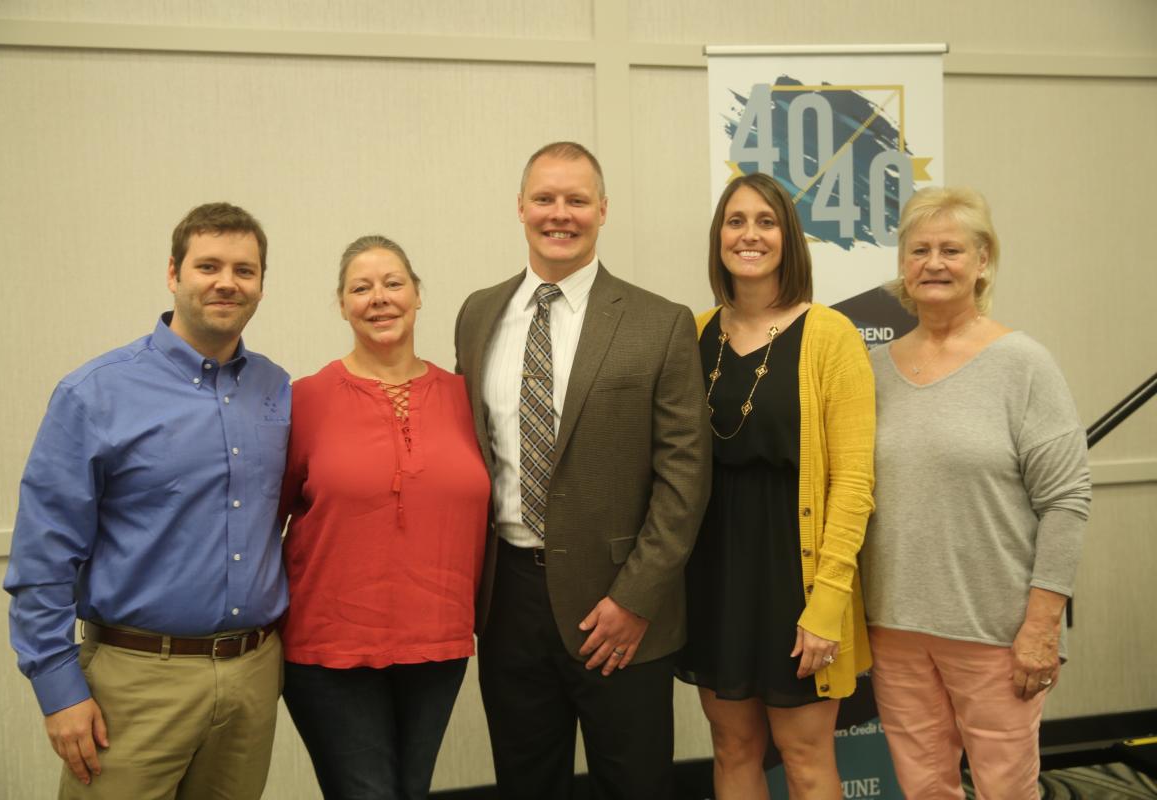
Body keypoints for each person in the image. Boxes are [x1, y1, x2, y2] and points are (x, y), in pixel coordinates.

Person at [3, 202, 290, 798]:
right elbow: (43, 556)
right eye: (208, 265)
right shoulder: (95, 393)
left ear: (262, 284)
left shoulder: (276, 390)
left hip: (253, 674)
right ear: (173, 273)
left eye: (245, 269)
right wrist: (59, 692)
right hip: (135, 682)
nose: (226, 282)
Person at [454, 141, 711, 800]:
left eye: (576, 200)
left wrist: (634, 599)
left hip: (618, 609)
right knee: (525, 782)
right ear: (520, 208)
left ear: (602, 210)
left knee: (635, 785)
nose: (559, 214)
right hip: (508, 599)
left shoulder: (659, 323)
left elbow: (685, 480)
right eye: (545, 198)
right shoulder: (480, 314)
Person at [861, 186, 1091, 799]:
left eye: (952, 249)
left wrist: (1042, 624)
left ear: (983, 262)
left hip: (997, 632)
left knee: (1006, 789)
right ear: (903, 266)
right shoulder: (873, 369)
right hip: (894, 626)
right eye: (919, 250)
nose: (934, 263)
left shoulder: (1024, 364)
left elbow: (1066, 501)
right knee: (923, 787)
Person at [676, 172, 876, 800]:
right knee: (732, 748)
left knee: (805, 756)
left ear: (788, 238)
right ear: (719, 239)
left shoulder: (831, 336)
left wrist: (828, 603)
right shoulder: (694, 333)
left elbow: (853, 483)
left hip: (797, 574)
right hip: (714, 573)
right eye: (735, 221)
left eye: (765, 221)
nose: (750, 234)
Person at [278, 235, 490, 800]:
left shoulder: (467, 398)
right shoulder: (304, 401)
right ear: (342, 303)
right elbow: (261, 520)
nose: (379, 298)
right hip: (330, 649)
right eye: (361, 287)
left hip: (438, 643)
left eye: (393, 283)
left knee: (411, 791)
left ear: (418, 295)